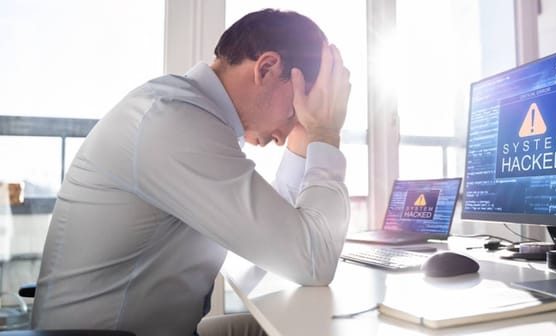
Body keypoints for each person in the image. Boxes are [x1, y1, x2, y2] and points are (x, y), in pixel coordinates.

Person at [31, 9, 351, 336]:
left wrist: (303, 136)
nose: (283, 135)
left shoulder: (190, 116)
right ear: (267, 68)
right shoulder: (174, 122)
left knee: (281, 328)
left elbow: (270, 252)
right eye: (296, 109)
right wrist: (325, 133)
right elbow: (313, 261)